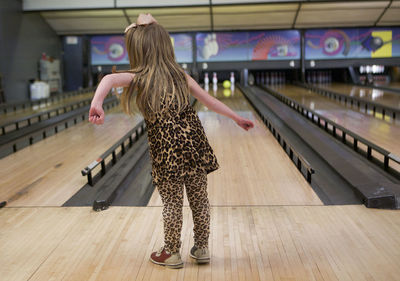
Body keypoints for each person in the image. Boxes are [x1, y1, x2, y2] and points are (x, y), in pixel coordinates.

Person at [88, 13, 254, 269]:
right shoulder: (180, 75)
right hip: (194, 143)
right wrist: (235, 117)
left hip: (168, 150)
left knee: (172, 202)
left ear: (138, 50)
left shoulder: (140, 76)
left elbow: (108, 79)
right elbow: (210, 101)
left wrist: (97, 103)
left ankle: (171, 251)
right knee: (200, 199)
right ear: (165, 45)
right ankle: (201, 248)